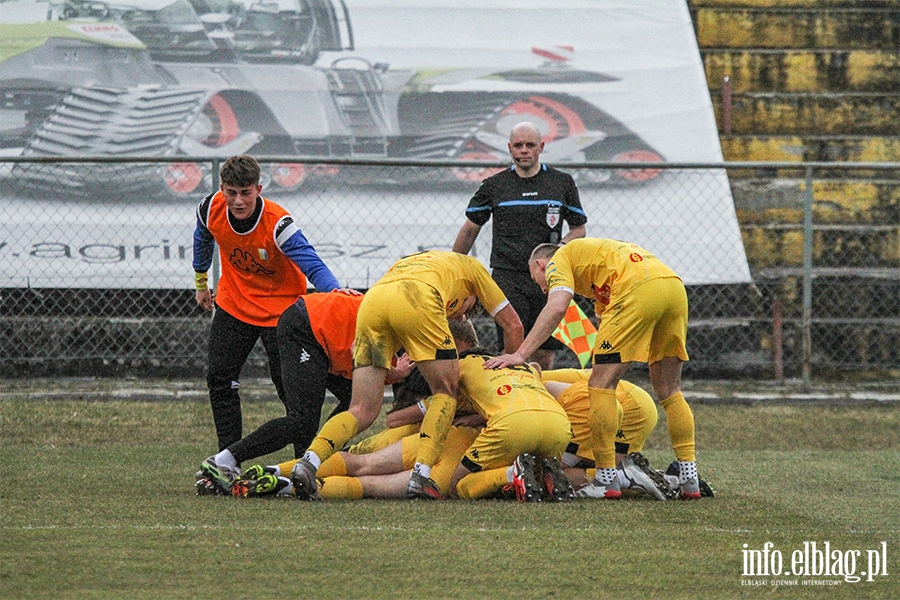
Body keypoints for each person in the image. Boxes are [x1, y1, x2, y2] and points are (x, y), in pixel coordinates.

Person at [289, 250, 524, 500]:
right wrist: (508, 368)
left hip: (373, 300)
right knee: (446, 392)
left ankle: (309, 461)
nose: (455, 317)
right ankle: (421, 477)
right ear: (471, 297)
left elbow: (361, 346)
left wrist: (387, 370)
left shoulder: (415, 261)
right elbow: (514, 325)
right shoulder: (474, 269)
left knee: (361, 409)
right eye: (459, 312)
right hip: (418, 297)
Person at [484, 238, 703, 499]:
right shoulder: (598, 270)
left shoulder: (558, 260)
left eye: (537, 280)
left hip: (635, 288)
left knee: (600, 387)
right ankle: (689, 478)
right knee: (670, 390)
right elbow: (604, 322)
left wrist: (520, 354)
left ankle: (606, 479)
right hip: (672, 286)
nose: (542, 288)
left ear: (540, 265)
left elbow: (557, 307)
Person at [196, 290, 414, 495]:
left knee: (353, 401)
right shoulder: (400, 321)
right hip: (307, 327)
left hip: (325, 340)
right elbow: (358, 349)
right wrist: (394, 373)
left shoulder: (412, 329)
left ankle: (312, 461)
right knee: (302, 420)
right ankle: (224, 460)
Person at [192, 155, 340, 452]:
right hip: (234, 306)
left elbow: (314, 266)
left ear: (259, 189)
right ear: (221, 188)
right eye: (231, 192)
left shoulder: (278, 224)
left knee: (290, 390)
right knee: (220, 379)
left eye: (245, 192)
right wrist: (201, 283)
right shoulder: (210, 208)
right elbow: (202, 238)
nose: (237, 201)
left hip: (281, 313)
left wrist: (337, 294)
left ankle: (305, 462)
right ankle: (227, 460)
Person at [452, 121, 587, 370]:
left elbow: (578, 229)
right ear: (509, 148)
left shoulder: (561, 182)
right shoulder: (494, 185)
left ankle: (540, 401)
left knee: (544, 350)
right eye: (518, 145)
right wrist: (453, 269)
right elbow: (471, 227)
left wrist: (556, 253)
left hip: (547, 277)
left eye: (530, 145)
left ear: (541, 147)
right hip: (507, 276)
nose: (524, 150)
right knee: (512, 343)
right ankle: (514, 401)